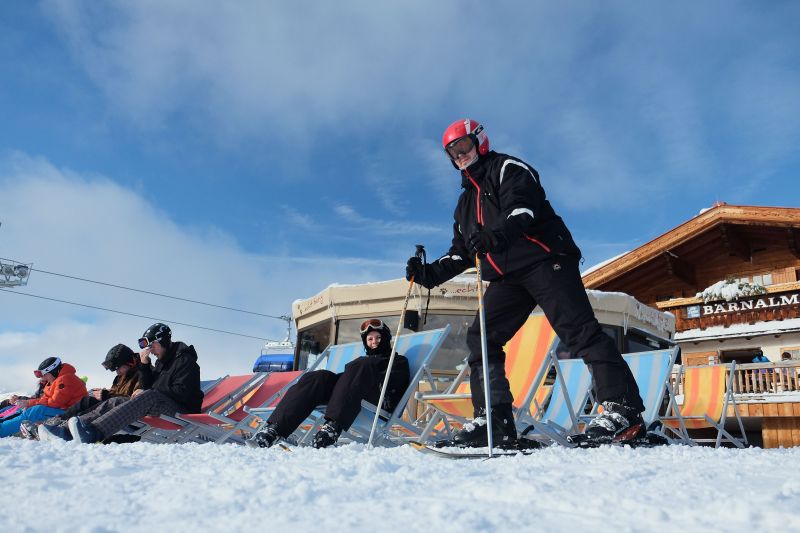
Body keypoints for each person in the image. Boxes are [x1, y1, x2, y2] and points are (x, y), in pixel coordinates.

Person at [405, 118, 646, 447]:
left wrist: (494, 235)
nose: (459, 156)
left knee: (577, 330)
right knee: (482, 336)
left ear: (480, 141)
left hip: (545, 259)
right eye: (452, 152)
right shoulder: (463, 206)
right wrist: (427, 274)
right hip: (507, 276)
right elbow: (461, 253)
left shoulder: (507, 168)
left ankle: (624, 409)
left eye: (463, 147)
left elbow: (522, 211)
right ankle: (494, 418)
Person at [250, 319, 410, 449]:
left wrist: (371, 371)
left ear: (387, 339)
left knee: (360, 365)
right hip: (351, 399)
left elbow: (395, 385)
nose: (374, 342)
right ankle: (275, 429)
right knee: (317, 377)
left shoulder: (398, 361)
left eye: (378, 337)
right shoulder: (361, 364)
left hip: (379, 403)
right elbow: (349, 381)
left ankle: (333, 428)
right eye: (369, 339)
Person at [43, 323, 203, 444]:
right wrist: (145, 366)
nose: (151, 350)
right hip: (161, 403)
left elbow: (181, 392)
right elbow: (149, 387)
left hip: (183, 410)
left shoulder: (185, 360)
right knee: (116, 400)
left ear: (164, 341)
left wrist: (149, 392)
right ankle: (64, 432)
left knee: (149, 396)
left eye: (152, 345)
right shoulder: (162, 362)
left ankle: (93, 433)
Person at [32, 344, 141, 441]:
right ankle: (59, 423)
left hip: (128, 410)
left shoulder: (141, 374)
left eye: (118, 368)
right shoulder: (121, 377)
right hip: (115, 404)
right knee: (88, 400)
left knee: (102, 406)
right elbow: (116, 392)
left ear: (129, 362)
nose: (117, 372)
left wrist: (106, 395)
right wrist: (104, 393)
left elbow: (135, 397)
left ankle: (65, 429)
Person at [0, 357, 87, 438]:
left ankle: (3, 430)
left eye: (44, 375)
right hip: (64, 410)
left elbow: (55, 402)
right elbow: (45, 399)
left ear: (53, 371)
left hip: (72, 412)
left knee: (37, 411)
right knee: (29, 408)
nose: (43, 378)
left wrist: (29, 402)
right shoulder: (54, 381)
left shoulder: (66, 379)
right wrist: (29, 404)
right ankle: (4, 425)